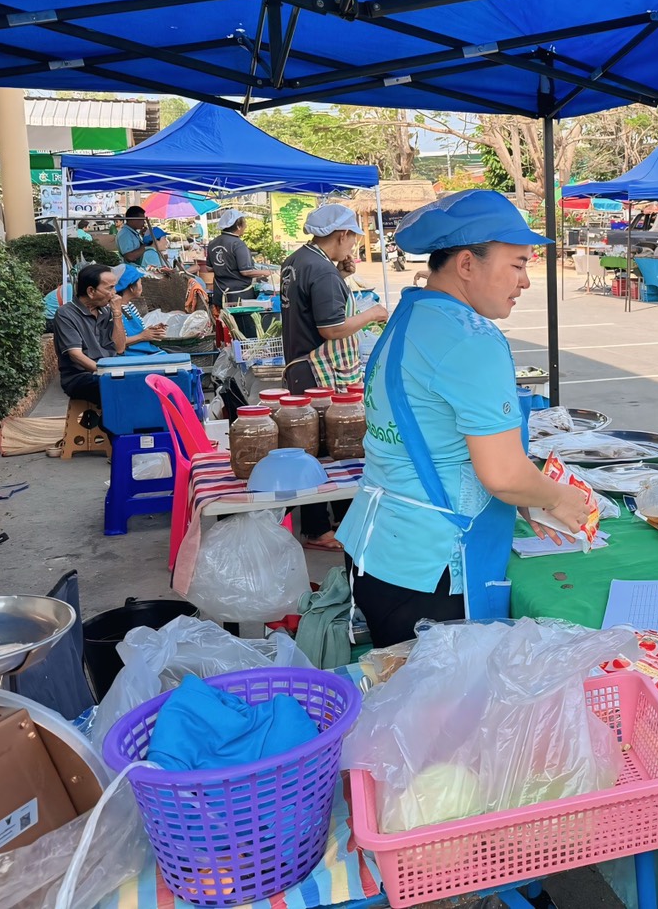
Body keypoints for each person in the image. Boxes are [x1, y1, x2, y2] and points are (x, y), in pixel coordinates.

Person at [336, 191, 593, 647]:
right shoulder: (471, 338)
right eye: (517, 265)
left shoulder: (411, 314)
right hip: (431, 567)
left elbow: (437, 440)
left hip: (380, 549)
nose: (525, 282)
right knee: (443, 689)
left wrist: (527, 496)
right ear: (467, 265)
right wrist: (558, 497)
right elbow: (503, 475)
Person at [281, 204, 389, 547]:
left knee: (317, 446)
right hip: (319, 370)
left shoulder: (297, 261)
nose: (354, 245)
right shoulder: (322, 271)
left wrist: (339, 274)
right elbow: (331, 329)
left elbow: (310, 303)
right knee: (328, 448)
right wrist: (373, 313)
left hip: (300, 366)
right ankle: (317, 529)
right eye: (353, 238)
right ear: (341, 234)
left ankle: (341, 520)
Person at [52, 264, 118, 403]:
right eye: (110, 288)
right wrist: (106, 372)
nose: (114, 293)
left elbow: (119, 348)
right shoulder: (66, 314)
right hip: (80, 376)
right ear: (91, 291)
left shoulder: (106, 312)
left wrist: (117, 315)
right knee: (120, 387)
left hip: (109, 369)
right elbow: (76, 355)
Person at [207, 210, 272, 338]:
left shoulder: (213, 243)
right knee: (242, 332)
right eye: (244, 223)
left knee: (226, 330)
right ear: (238, 226)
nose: (246, 226)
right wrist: (266, 272)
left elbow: (209, 268)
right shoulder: (238, 244)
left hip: (220, 294)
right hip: (238, 297)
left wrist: (224, 269)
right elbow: (245, 271)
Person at [109, 264, 167, 355]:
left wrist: (151, 331)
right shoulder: (113, 309)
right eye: (140, 283)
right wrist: (142, 336)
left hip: (145, 350)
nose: (141, 286)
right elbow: (118, 343)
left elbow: (139, 331)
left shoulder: (130, 306)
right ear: (132, 288)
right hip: (132, 356)